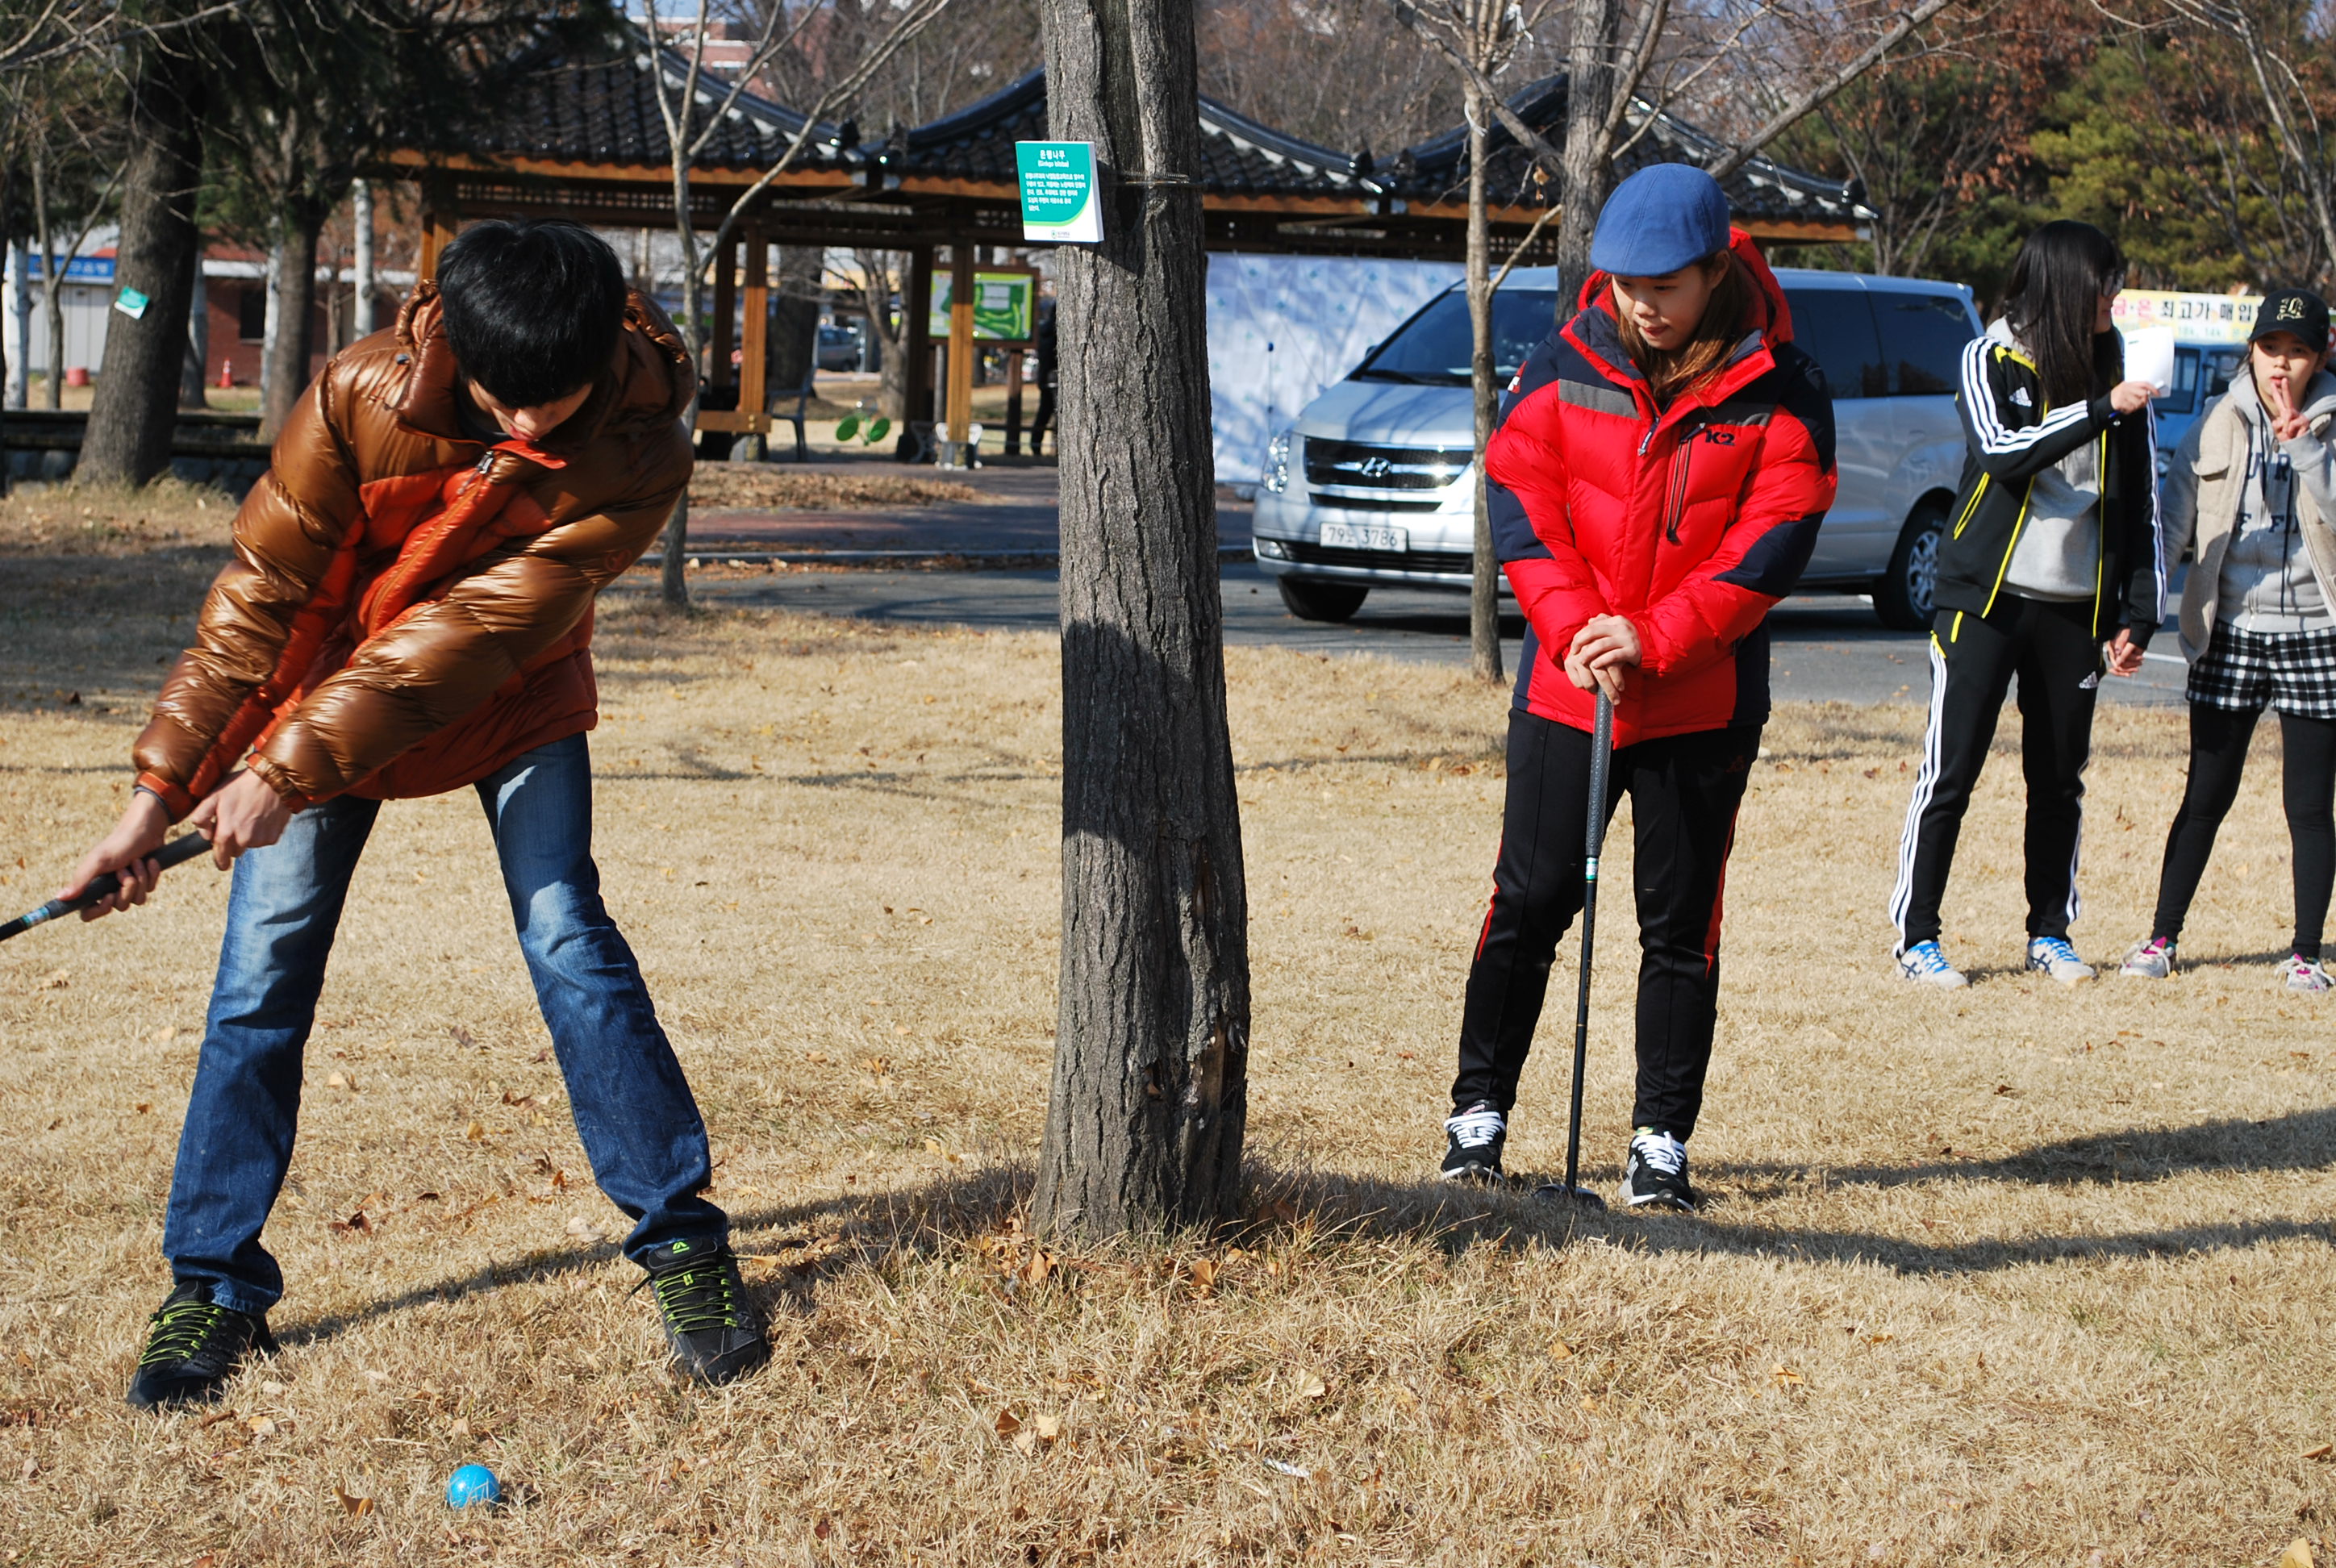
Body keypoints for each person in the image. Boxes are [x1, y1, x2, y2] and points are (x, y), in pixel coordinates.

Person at [61, 220, 771, 1409]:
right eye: (506, 400)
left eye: (557, 401)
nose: (532, 423)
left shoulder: (642, 440)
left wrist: (281, 774)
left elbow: (475, 633)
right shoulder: (360, 396)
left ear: (604, 356)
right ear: (456, 353)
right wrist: (157, 799)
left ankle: (683, 1245)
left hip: (510, 695)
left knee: (569, 940)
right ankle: (213, 1282)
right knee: (259, 983)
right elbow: (262, 596)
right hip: (326, 712)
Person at [1439, 164, 1837, 1211]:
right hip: (1570, 684)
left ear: (1714, 271)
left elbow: (1773, 542)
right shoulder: (1566, 359)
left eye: (1664, 287)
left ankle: (1659, 1142)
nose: (1642, 306)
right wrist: (1578, 628)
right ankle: (1476, 1118)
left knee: (1679, 925)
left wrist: (1652, 637)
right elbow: (1522, 494)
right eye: (1625, 286)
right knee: (1529, 902)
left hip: (1701, 699)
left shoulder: (1783, 384)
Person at [1888, 220, 2164, 988]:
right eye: (2104, 282)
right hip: (1985, 600)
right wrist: (2100, 409)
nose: (2113, 297)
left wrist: (2138, 613)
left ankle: (2050, 933)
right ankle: (1917, 939)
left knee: (2059, 780)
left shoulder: (2119, 367)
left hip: (2075, 608)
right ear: (2064, 284)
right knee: (1951, 772)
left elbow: (2142, 498)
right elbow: (2002, 452)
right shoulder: (1990, 356)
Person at [2121, 290, 2336, 990]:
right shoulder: (2216, 421)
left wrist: (2306, 450)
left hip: (2316, 631)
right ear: (2252, 350)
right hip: (2230, 630)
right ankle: (2162, 938)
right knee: (2205, 793)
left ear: (2321, 359)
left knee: (2309, 805)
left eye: (2298, 351)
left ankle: (2306, 953)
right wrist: (2139, 618)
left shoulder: (2330, 425)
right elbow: (2173, 529)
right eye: (2271, 348)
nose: (2282, 364)